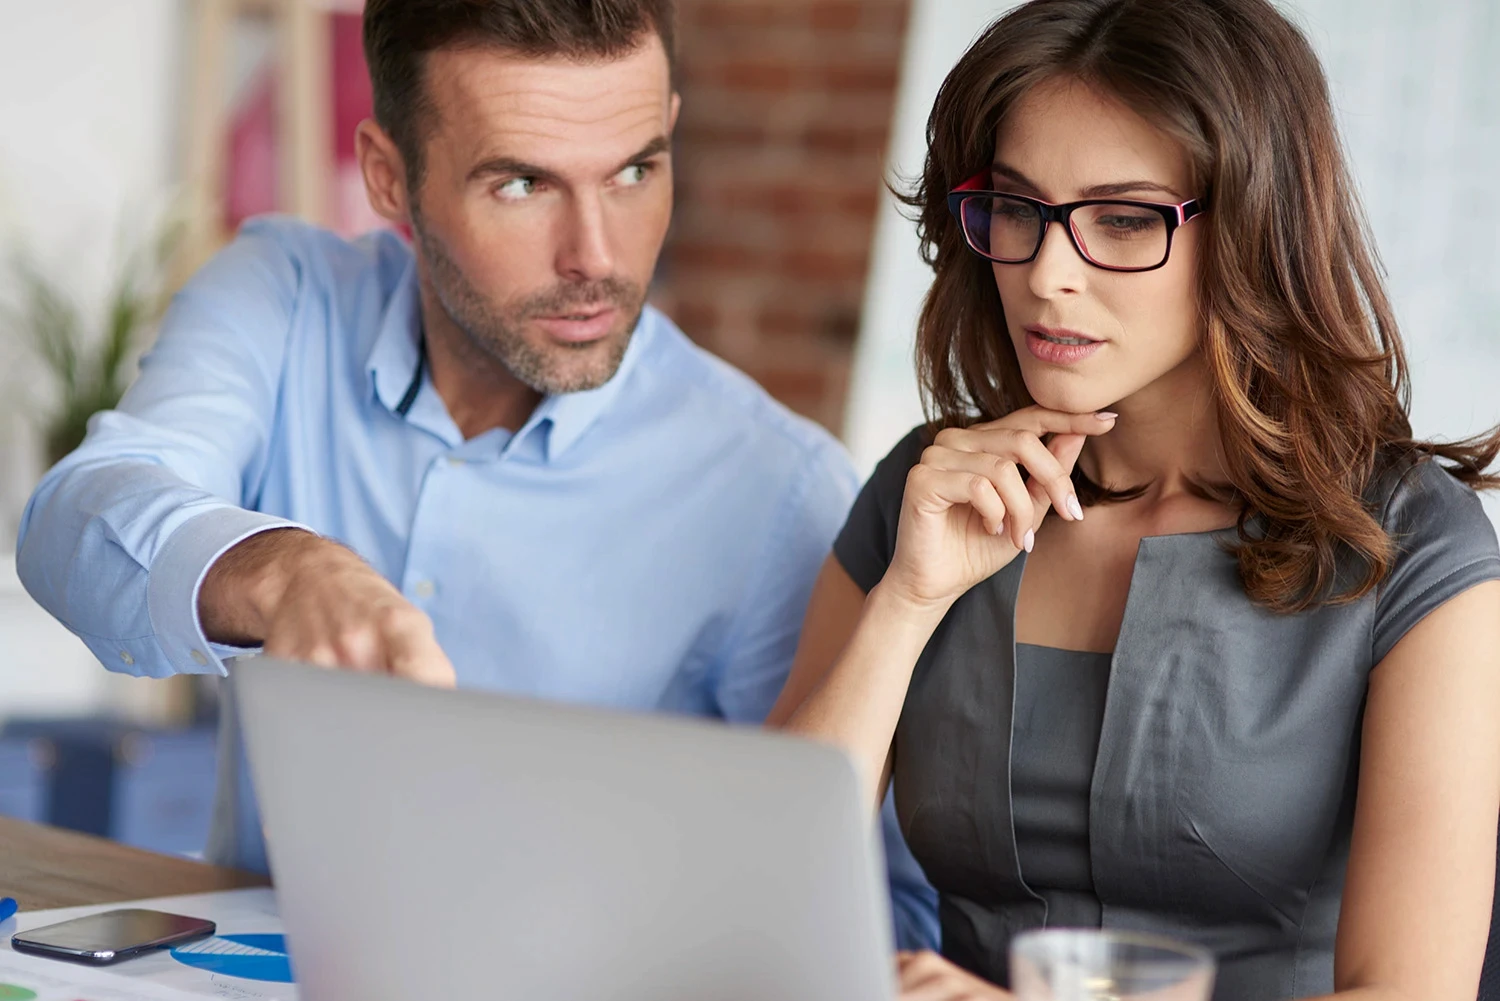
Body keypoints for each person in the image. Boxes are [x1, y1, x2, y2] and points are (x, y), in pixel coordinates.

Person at [15, 0, 938, 949]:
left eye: (634, 171)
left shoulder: (782, 493)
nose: (598, 257)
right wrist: (284, 571)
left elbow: (864, 912)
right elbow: (73, 523)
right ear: (388, 176)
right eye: (523, 184)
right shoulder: (285, 301)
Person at [768, 0, 1500, 998]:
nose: (1045, 273)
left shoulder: (1416, 548)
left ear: (1252, 232)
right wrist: (907, 600)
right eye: (1017, 207)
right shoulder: (927, 489)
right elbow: (760, 879)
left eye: (1122, 218)